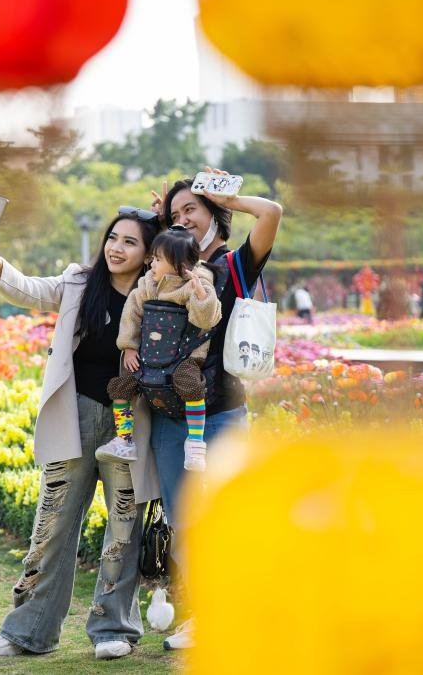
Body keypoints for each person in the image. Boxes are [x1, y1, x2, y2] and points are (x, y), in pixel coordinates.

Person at [0, 207, 162, 661]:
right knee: (52, 524)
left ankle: (112, 628)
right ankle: (29, 631)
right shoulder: (81, 281)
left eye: (130, 242)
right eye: (113, 238)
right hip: (75, 413)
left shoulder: (158, 293)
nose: (116, 248)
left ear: (148, 251)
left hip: (129, 423)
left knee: (123, 528)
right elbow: (33, 291)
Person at [153, 169, 282, 650]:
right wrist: (156, 222)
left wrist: (226, 196)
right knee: (181, 515)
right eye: (175, 213)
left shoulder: (235, 265)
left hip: (223, 408)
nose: (182, 219)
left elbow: (271, 213)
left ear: (213, 215)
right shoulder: (163, 266)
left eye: (193, 210)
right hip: (169, 411)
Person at [96, 226, 221, 471]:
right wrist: (129, 347)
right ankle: (125, 439)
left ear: (181, 265)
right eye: (152, 258)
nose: (152, 264)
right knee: (121, 386)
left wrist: (201, 296)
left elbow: (206, 321)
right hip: (149, 357)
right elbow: (131, 314)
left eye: (158, 259)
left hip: (184, 357)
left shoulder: (198, 283)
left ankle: (195, 442)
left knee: (192, 386)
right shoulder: (147, 284)